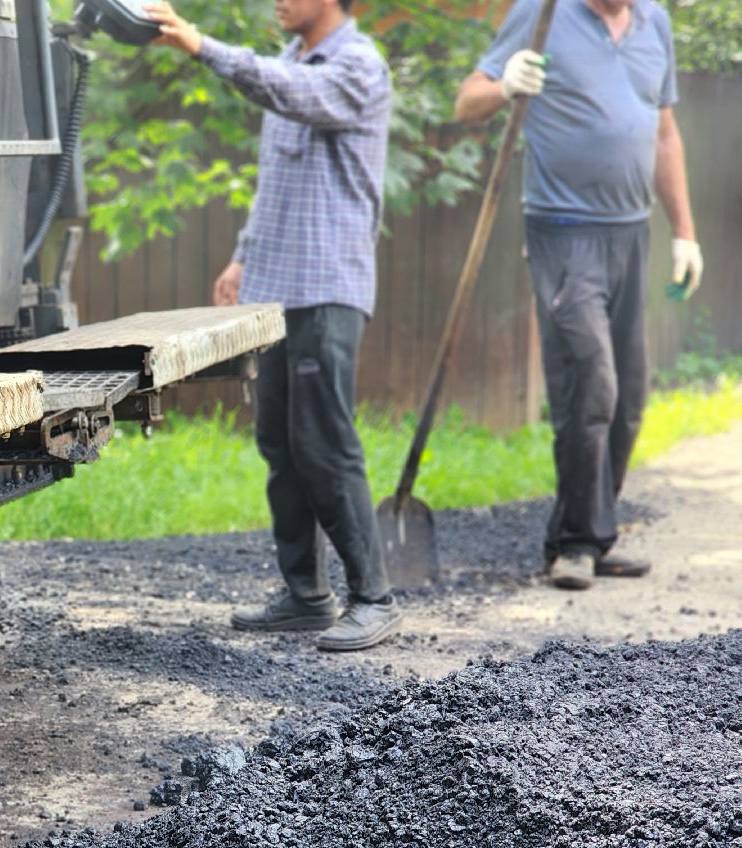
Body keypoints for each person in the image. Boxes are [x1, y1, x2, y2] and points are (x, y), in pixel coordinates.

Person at [144, 0, 401, 651]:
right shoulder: (291, 59)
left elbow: (287, 92)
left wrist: (205, 47)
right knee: (280, 445)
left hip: (326, 288)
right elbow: (275, 185)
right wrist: (242, 254)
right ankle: (307, 594)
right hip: (276, 288)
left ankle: (373, 597)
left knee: (323, 443)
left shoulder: (357, 67)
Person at [456, 0, 702, 590]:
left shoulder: (654, 24)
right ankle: (573, 543)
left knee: (631, 395)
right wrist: (505, 85)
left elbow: (664, 134)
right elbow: (468, 101)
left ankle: (592, 532)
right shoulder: (541, 15)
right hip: (562, 232)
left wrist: (685, 233)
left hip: (631, 232)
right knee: (590, 384)